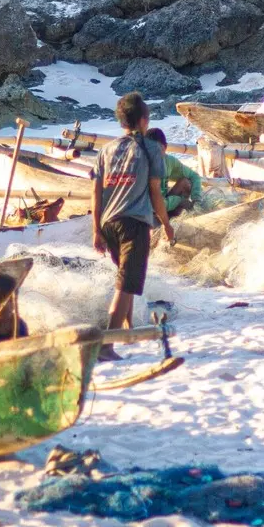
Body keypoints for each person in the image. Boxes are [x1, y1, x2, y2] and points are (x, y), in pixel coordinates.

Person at [90, 93, 174, 352]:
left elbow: (96, 192)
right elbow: (155, 192)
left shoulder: (107, 149)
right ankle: (106, 347)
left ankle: (126, 333)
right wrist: (167, 224)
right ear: (144, 120)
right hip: (133, 224)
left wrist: (96, 230)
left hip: (108, 222)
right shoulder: (150, 149)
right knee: (125, 286)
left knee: (125, 280)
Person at [145, 128, 206, 218]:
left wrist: (196, 199)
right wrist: (179, 201)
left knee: (186, 183)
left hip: (164, 205)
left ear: (165, 148)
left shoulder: (169, 161)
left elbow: (194, 176)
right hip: (147, 212)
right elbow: (152, 205)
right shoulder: (141, 166)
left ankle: (174, 219)